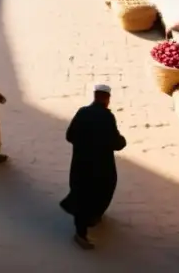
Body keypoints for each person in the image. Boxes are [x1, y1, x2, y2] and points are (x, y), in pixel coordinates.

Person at [60, 84, 127, 250]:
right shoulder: (107, 117)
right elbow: (116, 143)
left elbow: (70, 136)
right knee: (101, 191)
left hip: (80, 164)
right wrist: (122, 140)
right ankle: (86, 226)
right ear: (107, 99)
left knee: (81, 193)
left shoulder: (82, 112)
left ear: (95, 96)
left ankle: (82, 228)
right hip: (101, 166)